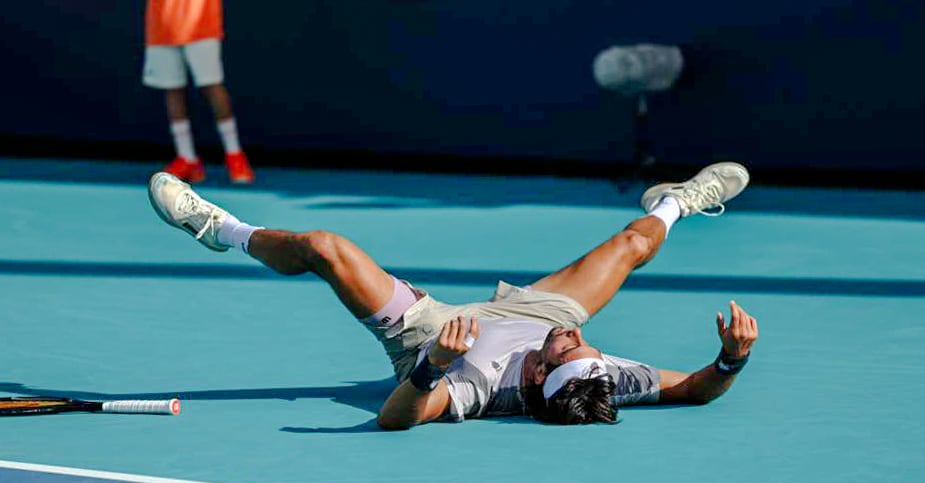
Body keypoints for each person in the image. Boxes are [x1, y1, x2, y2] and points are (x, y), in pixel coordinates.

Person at [147, 162, 759, 430]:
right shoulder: (600, 375)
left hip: (433, 335)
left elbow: (396, 418)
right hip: (532, 316)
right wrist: (732, 359)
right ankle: (677, 201)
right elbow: (697, 390)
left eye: (568, 351)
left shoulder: (478, 389)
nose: (581, 341)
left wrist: (432, 366)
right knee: (630, 245)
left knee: (324, 247)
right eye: (586, 348)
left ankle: (217, 229)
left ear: (539, 373)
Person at [143, 0, 255, 184]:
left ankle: (234, 154)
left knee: (211, 86)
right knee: (172, 89)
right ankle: (187, 158)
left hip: (200, 27)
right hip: (162, 26)